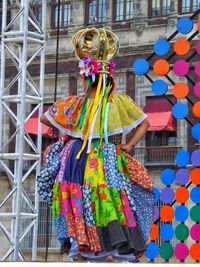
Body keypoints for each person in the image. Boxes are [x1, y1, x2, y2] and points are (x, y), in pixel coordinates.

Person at [38, 27, 154, 262]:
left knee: (77, 198)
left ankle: (83, 247)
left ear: (85, 78)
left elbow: (43, 118)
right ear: (109, 79)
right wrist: (129, 145)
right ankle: (109, 247)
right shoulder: (119, 102)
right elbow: (145, 124)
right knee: (110, 199)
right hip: (107, 159)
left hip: (76, 160)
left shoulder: (74, 104)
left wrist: (69, 134)